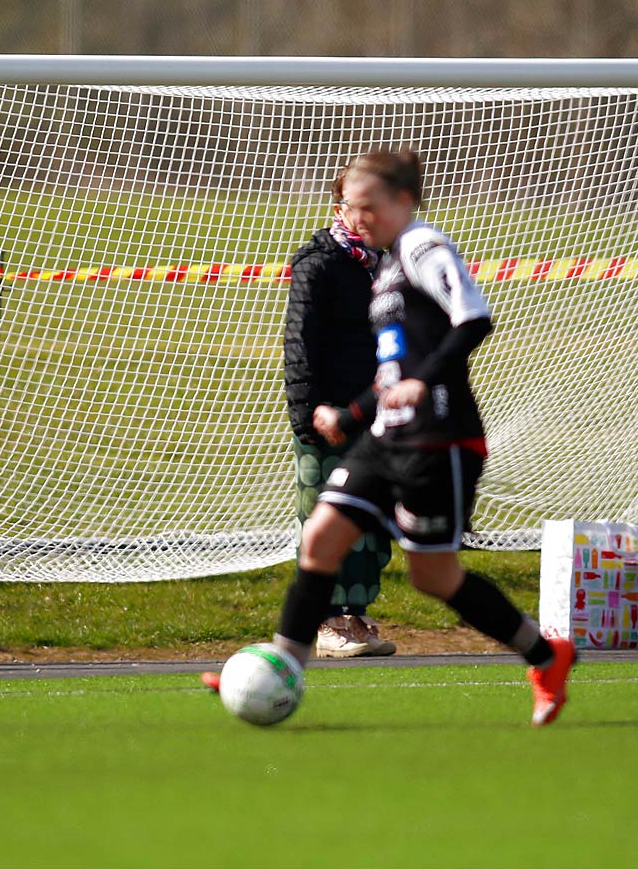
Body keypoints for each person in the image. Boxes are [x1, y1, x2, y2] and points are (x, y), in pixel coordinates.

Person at [207, 149, 575, 725]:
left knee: (435, 577)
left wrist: (423, 383)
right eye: (349, 206)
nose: (355, 217)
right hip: (385, 437)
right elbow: (394, 374)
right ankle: (282, 666)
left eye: (366, 206)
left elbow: (474, 319)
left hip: (440, 440)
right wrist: (349, 415)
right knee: (321, 539)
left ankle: (545, 654)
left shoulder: (426, 248)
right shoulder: (382, 267)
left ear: (403, 201)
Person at [283, 168, 395, 657]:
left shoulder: (391, 263)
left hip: (377, 414)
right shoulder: (318, 263)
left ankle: (359, 615)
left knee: (370, 519)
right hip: (326, 418)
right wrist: (306, 414)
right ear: (339, 209)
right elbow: (298, 344)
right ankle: (327, 623)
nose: (369, 215)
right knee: (325, 517)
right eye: (359, 205)